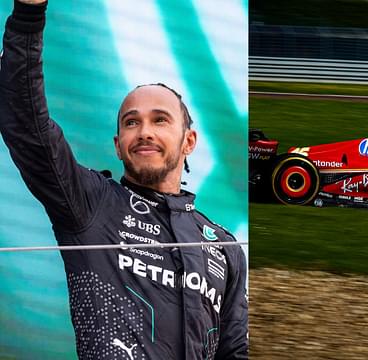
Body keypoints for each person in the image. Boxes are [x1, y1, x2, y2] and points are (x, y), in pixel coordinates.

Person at [0, 1, 248, 359]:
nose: (144, 132)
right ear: (118, 146)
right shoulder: (91, 203)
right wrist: (28, 12)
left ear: (189, 142)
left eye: (160, 120)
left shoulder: (224, 248)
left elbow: (236, 350)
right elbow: (26, 126)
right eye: (132, 122)